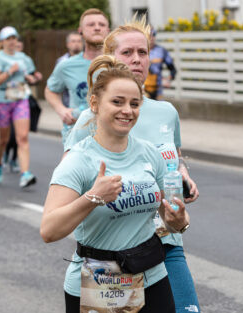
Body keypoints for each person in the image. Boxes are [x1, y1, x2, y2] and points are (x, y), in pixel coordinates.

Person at [64, 16, 201, 313]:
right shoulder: (91, 118)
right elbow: (68, 185)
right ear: (110, 58)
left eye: (143, 52)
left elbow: (172, 159)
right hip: (114, 253)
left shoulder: (166, 112)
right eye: (127, 53)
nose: (137, 59)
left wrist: (182, 175)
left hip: (166, 242)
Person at [45, 8, 110, 144]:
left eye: (102, 25)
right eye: (91, 25)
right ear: (80, 31)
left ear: (108, 30)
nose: (97, 28)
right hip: (76, 138)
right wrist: (61, 109)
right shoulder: (66, 66)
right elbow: (50, 90)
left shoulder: (118, 64)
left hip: (110, 137)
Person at [0, 26, 38, 188]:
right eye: (8, 39)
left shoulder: (22, 57)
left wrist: (30, 78)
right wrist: (9, 71)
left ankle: (25, 174)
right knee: (3, 139)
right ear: (2, 41)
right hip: (3, 99)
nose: (12, 42)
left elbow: (30, 74)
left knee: (22, 137)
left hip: (20, 98)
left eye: (14, 38)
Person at [144, 27, 177, 100]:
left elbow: (173, 69)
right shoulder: (139, 51)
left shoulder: (161, 51)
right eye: (149, 35)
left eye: (153, 35)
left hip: (158, 90)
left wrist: (168, 79)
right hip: (143, 89)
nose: (151, 38)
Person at [56, 32, 83, 108]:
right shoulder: (62, 61)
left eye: (79, 41)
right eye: (73, 41)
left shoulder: (89, 60)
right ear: (68, 44)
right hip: (68, 105)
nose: (76, 44)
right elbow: (57, 85)